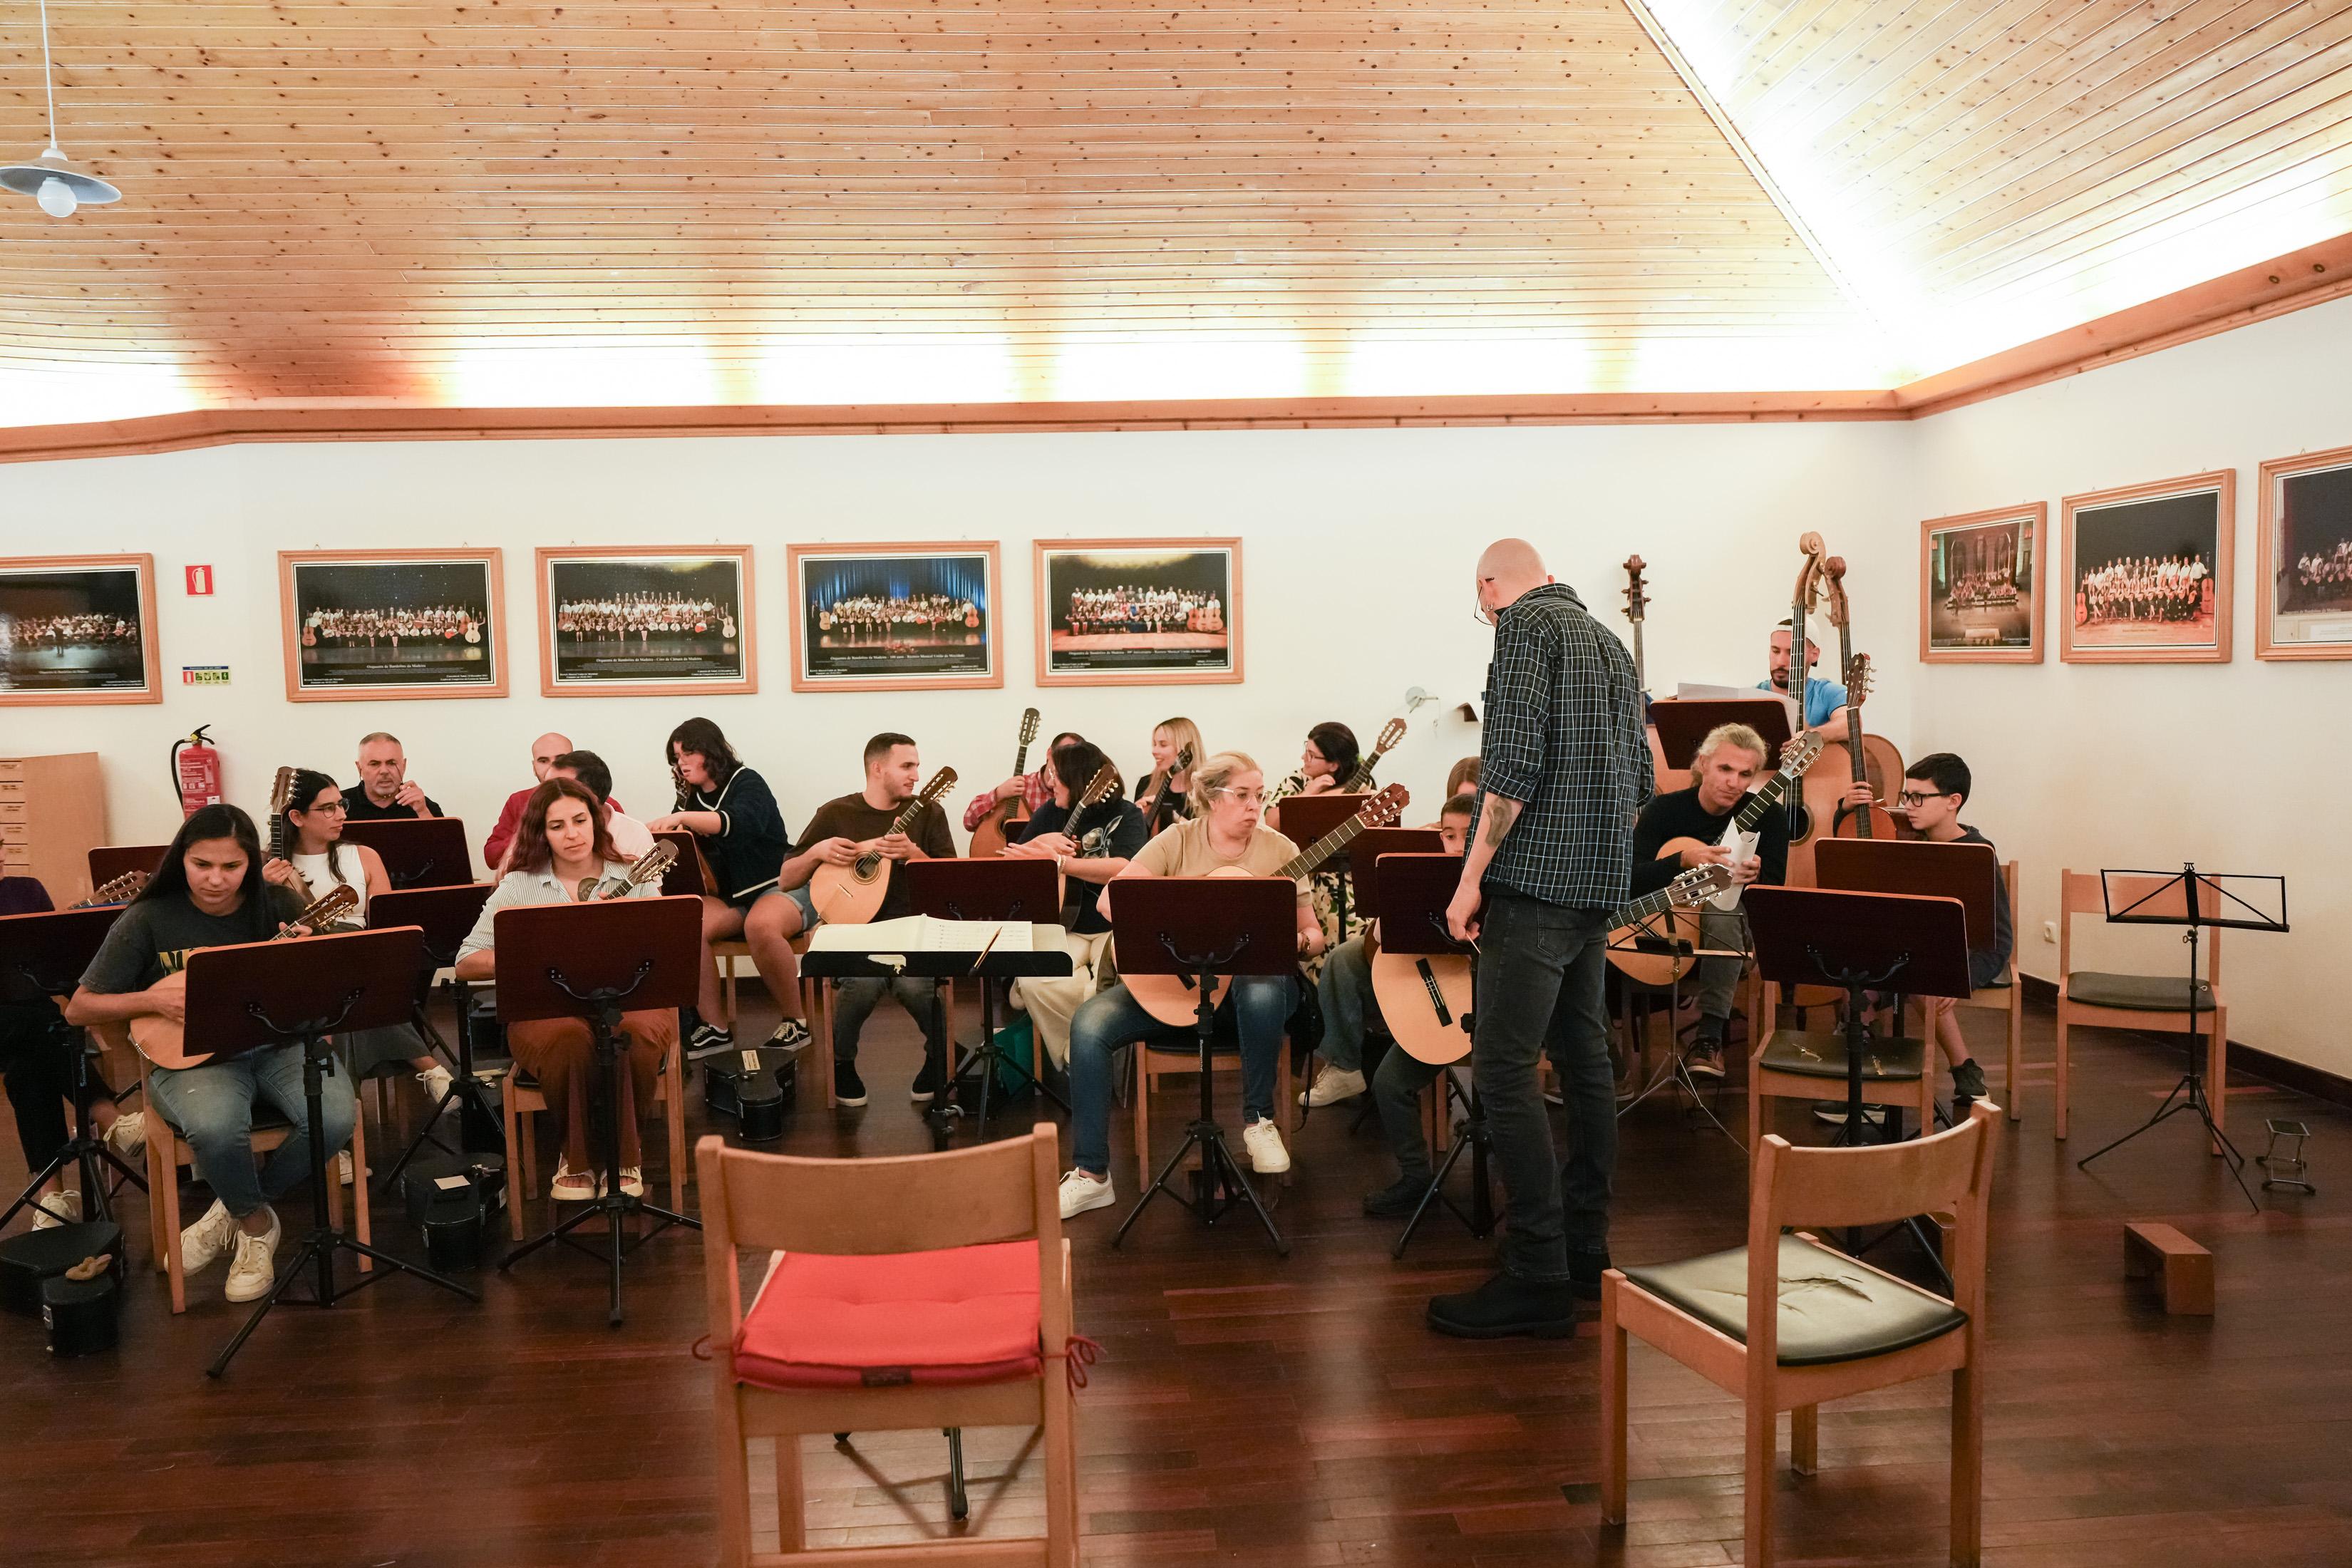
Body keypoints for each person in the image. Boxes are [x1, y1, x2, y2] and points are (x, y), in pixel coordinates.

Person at [1431, 538, 1649, 1339]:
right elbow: (1641, 775)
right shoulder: (1612, 645)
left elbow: (1511, 767)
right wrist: (1598, 860)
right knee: (1586, 1059)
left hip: (1535, 888)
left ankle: (1537, 1268)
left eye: (1481, 600)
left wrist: (1469, 879)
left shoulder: (1523, 628)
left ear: (1492, 586)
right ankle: (1587, 1248)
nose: (1486, 613)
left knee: (1503, 1065)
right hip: (1599, 885)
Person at [64, 805, 341, 1304]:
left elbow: (332, 976)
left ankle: (230, 1211)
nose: (215, 879)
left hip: (278, 1044)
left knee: (337, 1118)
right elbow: (80, 1008)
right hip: (192, 1057)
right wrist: (151, 999)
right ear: (181, 860)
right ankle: (255, 1224)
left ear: (250, 866)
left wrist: (309, 952)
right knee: (215, 1128)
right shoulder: (148, 917)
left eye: (231, 867)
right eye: (202, 865)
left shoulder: (274, 902)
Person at [1056, 751, 1324, 1219]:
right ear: (1210, 797)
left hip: (1245, 1001)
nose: (1253, 806)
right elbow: (1109, 903)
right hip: (1174, 990)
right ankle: (1091, 1175)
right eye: (1241, 795)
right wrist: (1176, 919)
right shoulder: (1177, 840)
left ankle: (1259, 1122)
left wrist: (1300, 940)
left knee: (1260, 982)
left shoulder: (1279, 850)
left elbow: (1314, 933)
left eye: (1258, 796)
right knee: (1089, 1024)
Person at [455, 780, 674, 1202]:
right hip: (549, 1008)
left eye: (580, 821)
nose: (572, 834)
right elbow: (466, 961)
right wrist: (534, 957)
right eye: (557, 826)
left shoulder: (633, 875)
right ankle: (576, 1159)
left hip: (629, 999)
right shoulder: (520, 885)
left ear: (596, 822)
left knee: (631, 1032)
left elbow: (663, 953)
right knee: (567, 1039)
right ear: (542, 833)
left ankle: (625, 1156)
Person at [779, 733, 958, 1108]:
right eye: (907, 766)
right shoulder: (837, 813)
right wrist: (816, 852)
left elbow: (950, 882)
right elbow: (787, 879)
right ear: (877, 769)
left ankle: (938, 1056)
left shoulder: (929, 813)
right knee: (861, 984)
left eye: (917, 766)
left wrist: (914, 854)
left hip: (913, 928)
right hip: (852, 930)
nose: (916, 775)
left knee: (914, 987)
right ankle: (843, 1062)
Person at [264, 770, 453, 1114]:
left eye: (342, 804)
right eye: (328, 808)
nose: (342, 815)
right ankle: (428, 1067)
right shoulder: (267, 867)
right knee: (347, 986)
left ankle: (344, 1128)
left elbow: (385, 924)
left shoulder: (363, 856)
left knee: (347, 981)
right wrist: (260, 889)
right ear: (296, 817)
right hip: (296, 977)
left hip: (363, 962)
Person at [1847, 753, 2011, 1113]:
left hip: (1970, 955)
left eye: (1919, 797)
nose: (1909, 806)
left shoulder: (1977, 852)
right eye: (1907, 796)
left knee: (1921, 980)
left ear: (1954, 802)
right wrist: (1845, 810)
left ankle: (1963, 1069)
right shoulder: (1908, 841)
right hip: (1914, 950)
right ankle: (1870, 1083)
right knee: (1857, 977)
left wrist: (1959, 972)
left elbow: (1996, 935)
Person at [1627, 723, 1787, 1079]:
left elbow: (1775, 895)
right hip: (1664, 929)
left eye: (1746, 774)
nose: (1734, 782)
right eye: (1725, 769)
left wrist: (1757, 878)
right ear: (1703, 764)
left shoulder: (1770, 816)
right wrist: (1682, 859)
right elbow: (1629, 880)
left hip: (1731, 937)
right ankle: (1602, 1062)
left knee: (1721, 906)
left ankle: (1709, 1039)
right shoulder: (1664, 811)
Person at [644, 718, 809, 1059]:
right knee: (686, 924)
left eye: (689, 753)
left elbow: (737, 824)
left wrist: (683, 819)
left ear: (712, 751)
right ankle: (715, 1028)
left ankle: (797, 1021)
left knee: (760, 926)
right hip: (732, 896)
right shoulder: (688, 797)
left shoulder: (747, 781)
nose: (682, 763)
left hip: (776, 884)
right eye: (676, 758)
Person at [1304, 793, 1473, 1116]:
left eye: (1468, 835)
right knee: (1344, 957)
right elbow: (1382, 936)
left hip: (1464, 989)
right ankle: (1345, 1067)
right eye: (1449, 836)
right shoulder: (1427, 867)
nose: (1458, 845)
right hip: (1420, 974)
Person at [1, 875, 144, 1230]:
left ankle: (53, 1198)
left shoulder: (27, 890)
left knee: (33, 1053)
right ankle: (111, 1119)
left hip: (28, 1025)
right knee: (45, 1030)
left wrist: (83, 1008)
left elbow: (54, 965)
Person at [1000, 741, 1147, 1069]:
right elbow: (1011, 864)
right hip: (1065, 925)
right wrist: (1040, 843)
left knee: (1107, 986)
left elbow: (1126, 866)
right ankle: (1082, 1056)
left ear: (1078, 781)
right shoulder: (1049, 813)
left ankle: (1080, 1057)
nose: (1050, 783)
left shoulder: (1126, 814)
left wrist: (1063, 865)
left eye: (1057, 776)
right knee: (1035, 981)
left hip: (1113, 925)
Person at [961, 730, 1083, 838]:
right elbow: (969, 822)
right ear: (1049, 753)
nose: (1066, 764)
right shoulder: (1020, 786)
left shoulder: (1079, 793)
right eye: (1063, 756)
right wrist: (998, 794)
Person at [483, 732, 578, 869]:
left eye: (561, 759)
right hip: (531, 886)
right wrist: (529, 835)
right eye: (543, 761)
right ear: (534, 767)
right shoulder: (518, 801)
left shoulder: (602, 801)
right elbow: (492, 858)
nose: (553, 767)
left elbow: (618, 855)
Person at [547, 751, 654, 863]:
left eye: (559, 790)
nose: (545, 796)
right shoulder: (536, 832)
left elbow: (648, 880)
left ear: (592, 796)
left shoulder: (635, 834)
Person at [1761, 622, 1852, 742]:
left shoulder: (1829, 693)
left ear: (1814, 655)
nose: (1780, 662)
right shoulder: (1753, 696)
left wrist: (1811, 736)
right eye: (1776, 651)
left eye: (1791, 653)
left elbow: (1849, 723)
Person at [343, 732, 442, 821]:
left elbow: (444, 841)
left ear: (404, 766)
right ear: (360, 768)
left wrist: (422, 812)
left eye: (391, 763)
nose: (384, 771)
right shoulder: (340, 805)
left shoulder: (424, 806)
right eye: (374, 764)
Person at [1134, 717, 1205, 836]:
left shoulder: (1207, 789)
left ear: (1183, 749)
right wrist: (1135, 816)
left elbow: (1206, 836)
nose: (1154, 751)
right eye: (1154, 744)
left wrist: (1171, 815)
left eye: (1163, 745)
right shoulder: (1146, 783)